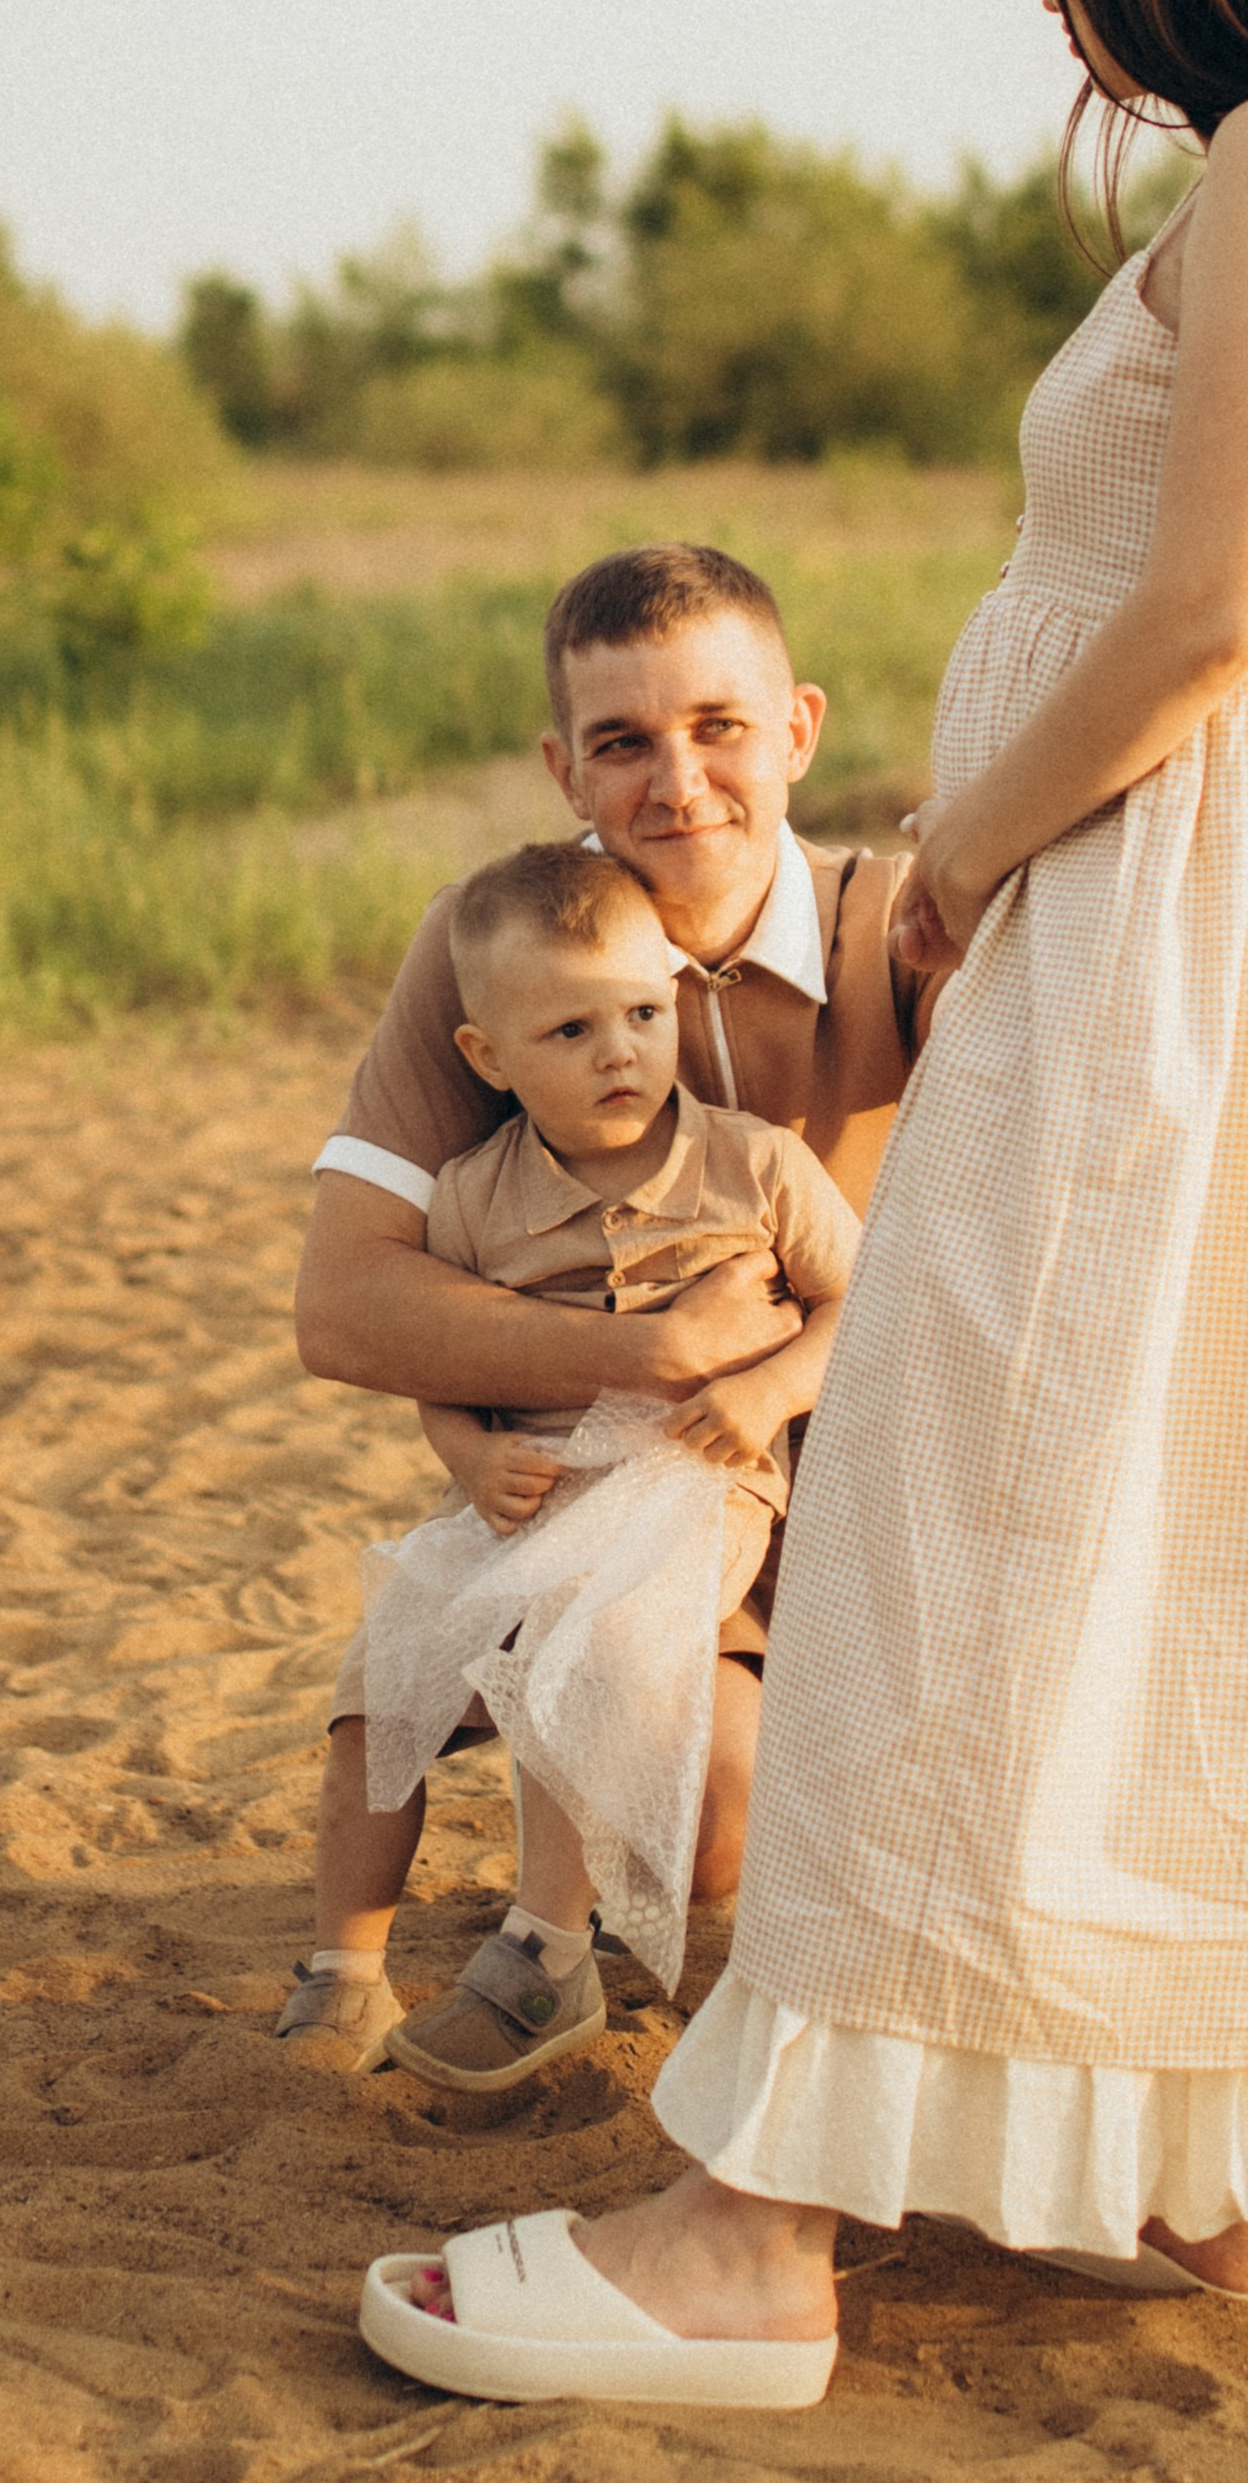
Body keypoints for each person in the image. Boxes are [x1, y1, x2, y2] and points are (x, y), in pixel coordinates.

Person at [359, 0, 1248, 2412]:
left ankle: (751, 2239)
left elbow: (1215, 602)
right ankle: (1206, 2164)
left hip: (1149, 928)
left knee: (969, 1507)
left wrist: (969, 849)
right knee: (1205, 1501)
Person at [284, 544, 936, 2070]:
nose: (677, 781)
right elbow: (345, 1305)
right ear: (560, 766)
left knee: (728, 1821)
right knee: (679, 1810)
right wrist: (639, 1351)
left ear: (797, 729)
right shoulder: (501, 939)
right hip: (618, 1481)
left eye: (718, 725)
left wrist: (767, 1374)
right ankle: (400, 1951)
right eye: (623, 740)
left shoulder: (905, 925)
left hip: (865, 1484)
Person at [316, 841, 856, 2091]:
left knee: (588, 1637)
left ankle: (544, 1954)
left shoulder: (753, 1166)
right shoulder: (471, 1197)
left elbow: (863, 1298)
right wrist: (466, 1453)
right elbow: (434, 1360)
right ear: (487, 1058)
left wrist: (767, 1388)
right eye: (570, 1030)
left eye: (642, 1015)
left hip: (690, 1480)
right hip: (526, 1487)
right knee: (381, 1678)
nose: (619, 1052)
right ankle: (338, 1967)